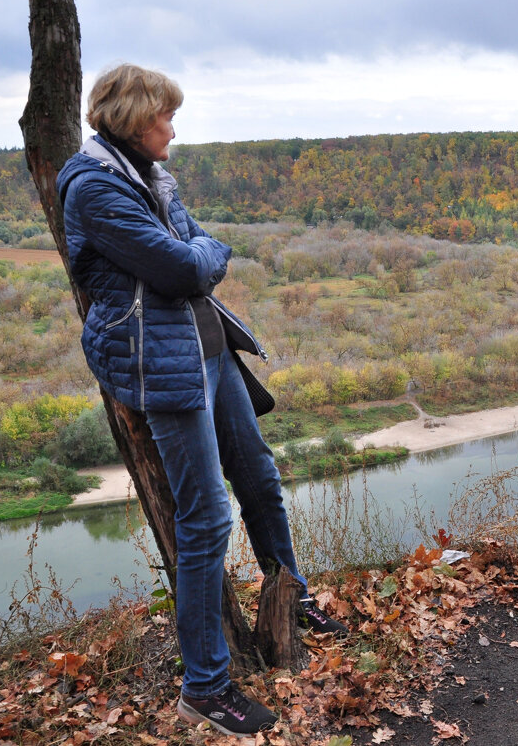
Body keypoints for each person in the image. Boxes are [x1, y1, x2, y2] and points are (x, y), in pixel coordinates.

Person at [57, 63, 347, 737]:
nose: (174, 129)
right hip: (165, 368)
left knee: (260, 479)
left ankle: (290, 601)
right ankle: (206, 687)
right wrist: (198, 255)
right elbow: (187, 264)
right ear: (133, 120)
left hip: (209, 351)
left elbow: (192, 252)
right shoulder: (95, 185)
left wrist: (194, 254)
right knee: (206, 520)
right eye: (165, 117)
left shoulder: (152, 176)